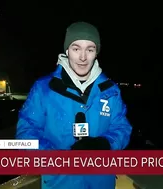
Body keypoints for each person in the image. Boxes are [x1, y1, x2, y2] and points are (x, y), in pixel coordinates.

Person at [16, 21, 132, 189]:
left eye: (90, 50)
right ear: (67, 50)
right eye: (76, 48)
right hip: (59, 183)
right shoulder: (43, 89)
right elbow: (26, 134)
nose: (83, 57)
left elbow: (122, 127)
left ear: (96, 53)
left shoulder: (111, 91)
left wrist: (106, 144)